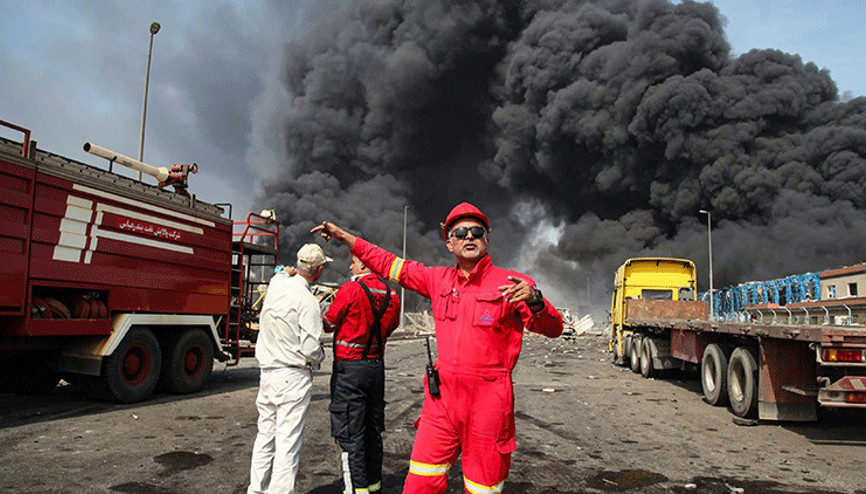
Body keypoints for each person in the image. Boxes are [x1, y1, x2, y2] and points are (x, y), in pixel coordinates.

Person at [311, 202, 563, 494]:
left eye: (476, 231)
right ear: (449, 243)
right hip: (441, 401)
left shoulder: (513, 284)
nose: (469, 237)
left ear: (487, 239)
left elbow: (554, 329)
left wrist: (535, 300)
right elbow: (388, 262)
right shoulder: (437, 280)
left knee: (482, 488)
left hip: (488, 403)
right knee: (420, 482)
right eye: (461, 232)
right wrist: (344, 237)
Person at [248, 243, 331, 494]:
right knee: (288, 443)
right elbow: (309, 348)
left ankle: (256, 490)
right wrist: (321, 355)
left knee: (265, 437)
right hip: (293, 376)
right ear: (319, 271)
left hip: (268, 372)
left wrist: (286, 272)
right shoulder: (308, 301)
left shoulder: (276, 285)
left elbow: (281, 273)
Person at [323, 256, 401, 494]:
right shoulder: (393, 296)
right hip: (376, 369)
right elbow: (391, 326)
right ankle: (373, 487)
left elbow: (328, 323)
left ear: (365, 265)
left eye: (354, 262)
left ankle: (355, 490)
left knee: (349, 434)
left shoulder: (351, 289)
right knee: (372, 431)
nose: (350, 266)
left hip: (350, 370)